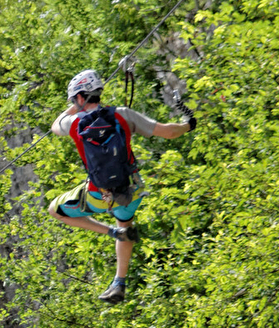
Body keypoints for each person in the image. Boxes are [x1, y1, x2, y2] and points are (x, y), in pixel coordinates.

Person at [47, 69, 193, 304]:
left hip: (98, 195)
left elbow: (55, 125)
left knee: (55, 210)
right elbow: (167, 131)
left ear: (81, 97)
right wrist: (189, 124)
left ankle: (112, 232)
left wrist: (75, 106)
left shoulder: (73, 123)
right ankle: (119, 282)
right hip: (130, 192)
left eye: (75, 98)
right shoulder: (123, 115)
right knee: (125, 219)